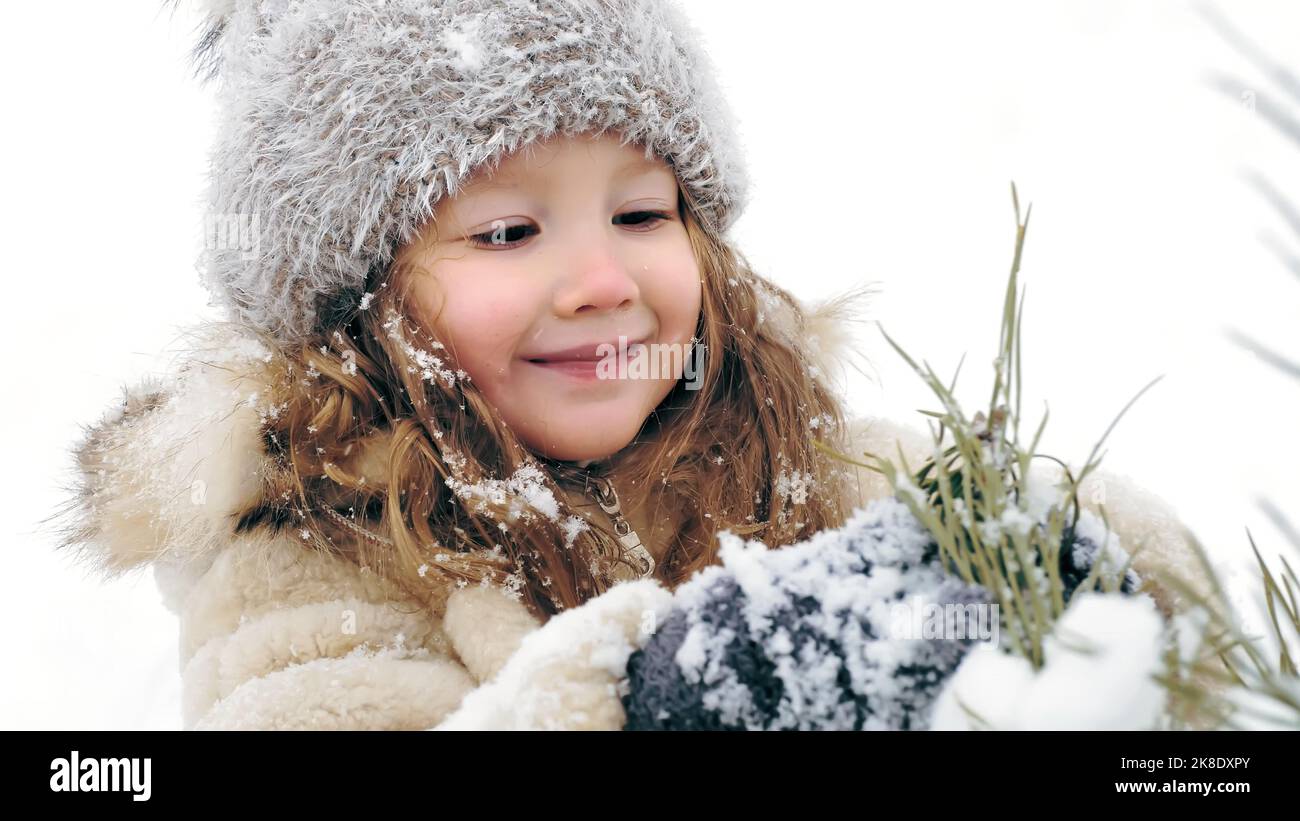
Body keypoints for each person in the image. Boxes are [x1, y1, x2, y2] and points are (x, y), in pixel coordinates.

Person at [52, 0, 1204, 730]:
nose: (604, 277)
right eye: (508, 232)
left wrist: (1084, 572)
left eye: (644, 212)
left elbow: (1203, 631)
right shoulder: (303, 563)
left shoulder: (817, 463)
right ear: (358, 307)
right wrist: (660, 699)